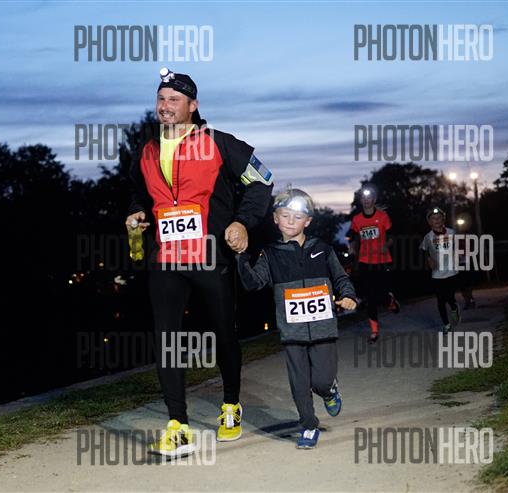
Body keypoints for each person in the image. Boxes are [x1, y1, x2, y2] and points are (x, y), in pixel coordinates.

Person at [126, 68, 273, 457]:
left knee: (224, 333)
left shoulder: (219, 143)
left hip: (210, 255)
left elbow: (262, 181)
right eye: (161, 99)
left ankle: (231, 405)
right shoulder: (147, 150)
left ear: (193, 105)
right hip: (165, 257)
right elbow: (137, 191)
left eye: (174, 100)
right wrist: (136, 211)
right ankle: (178, 424)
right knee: (166, 339)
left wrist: (242, 222)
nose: (165, 106)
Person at [236, 188, 357, 449]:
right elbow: (253, 283)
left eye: (298, 216)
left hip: (323, 329)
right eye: (285, 215)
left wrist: (348, 295)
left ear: (308, 221)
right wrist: (240, 257)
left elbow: (340, 278)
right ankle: (309, 425)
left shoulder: (322, 249)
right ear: (275, 218)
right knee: (299, 383)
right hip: (292, 332)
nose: (291, 221)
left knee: (321, 380)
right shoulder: (270, 254)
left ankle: (329, 390)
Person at [348, 184, 400, 343]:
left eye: (369, 198)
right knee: (370, 296)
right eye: (363, 198)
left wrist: (387, 245)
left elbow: (392, 236)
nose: (366, 200)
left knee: (381, 294)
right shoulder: (357, 219)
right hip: (365, 261)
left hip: (382, 260)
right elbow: (353, 236)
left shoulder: (383, 217)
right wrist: (352, 246)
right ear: (361, 200)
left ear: (374, 199)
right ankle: (374, 331)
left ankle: (390, 301)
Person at [420, 207, 461, 333]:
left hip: (451, 271)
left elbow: (459, 247)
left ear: (443, 219)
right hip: (437, 273)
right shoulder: (428, 237)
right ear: (429, 222)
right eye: (433, 219)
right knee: (440, 299)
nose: (436, 220)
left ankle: (454, 308)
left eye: (439, 218)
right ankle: (446, 324)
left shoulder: (452, 233)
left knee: (450, 296)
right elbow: (423, 251)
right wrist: (428, 259)